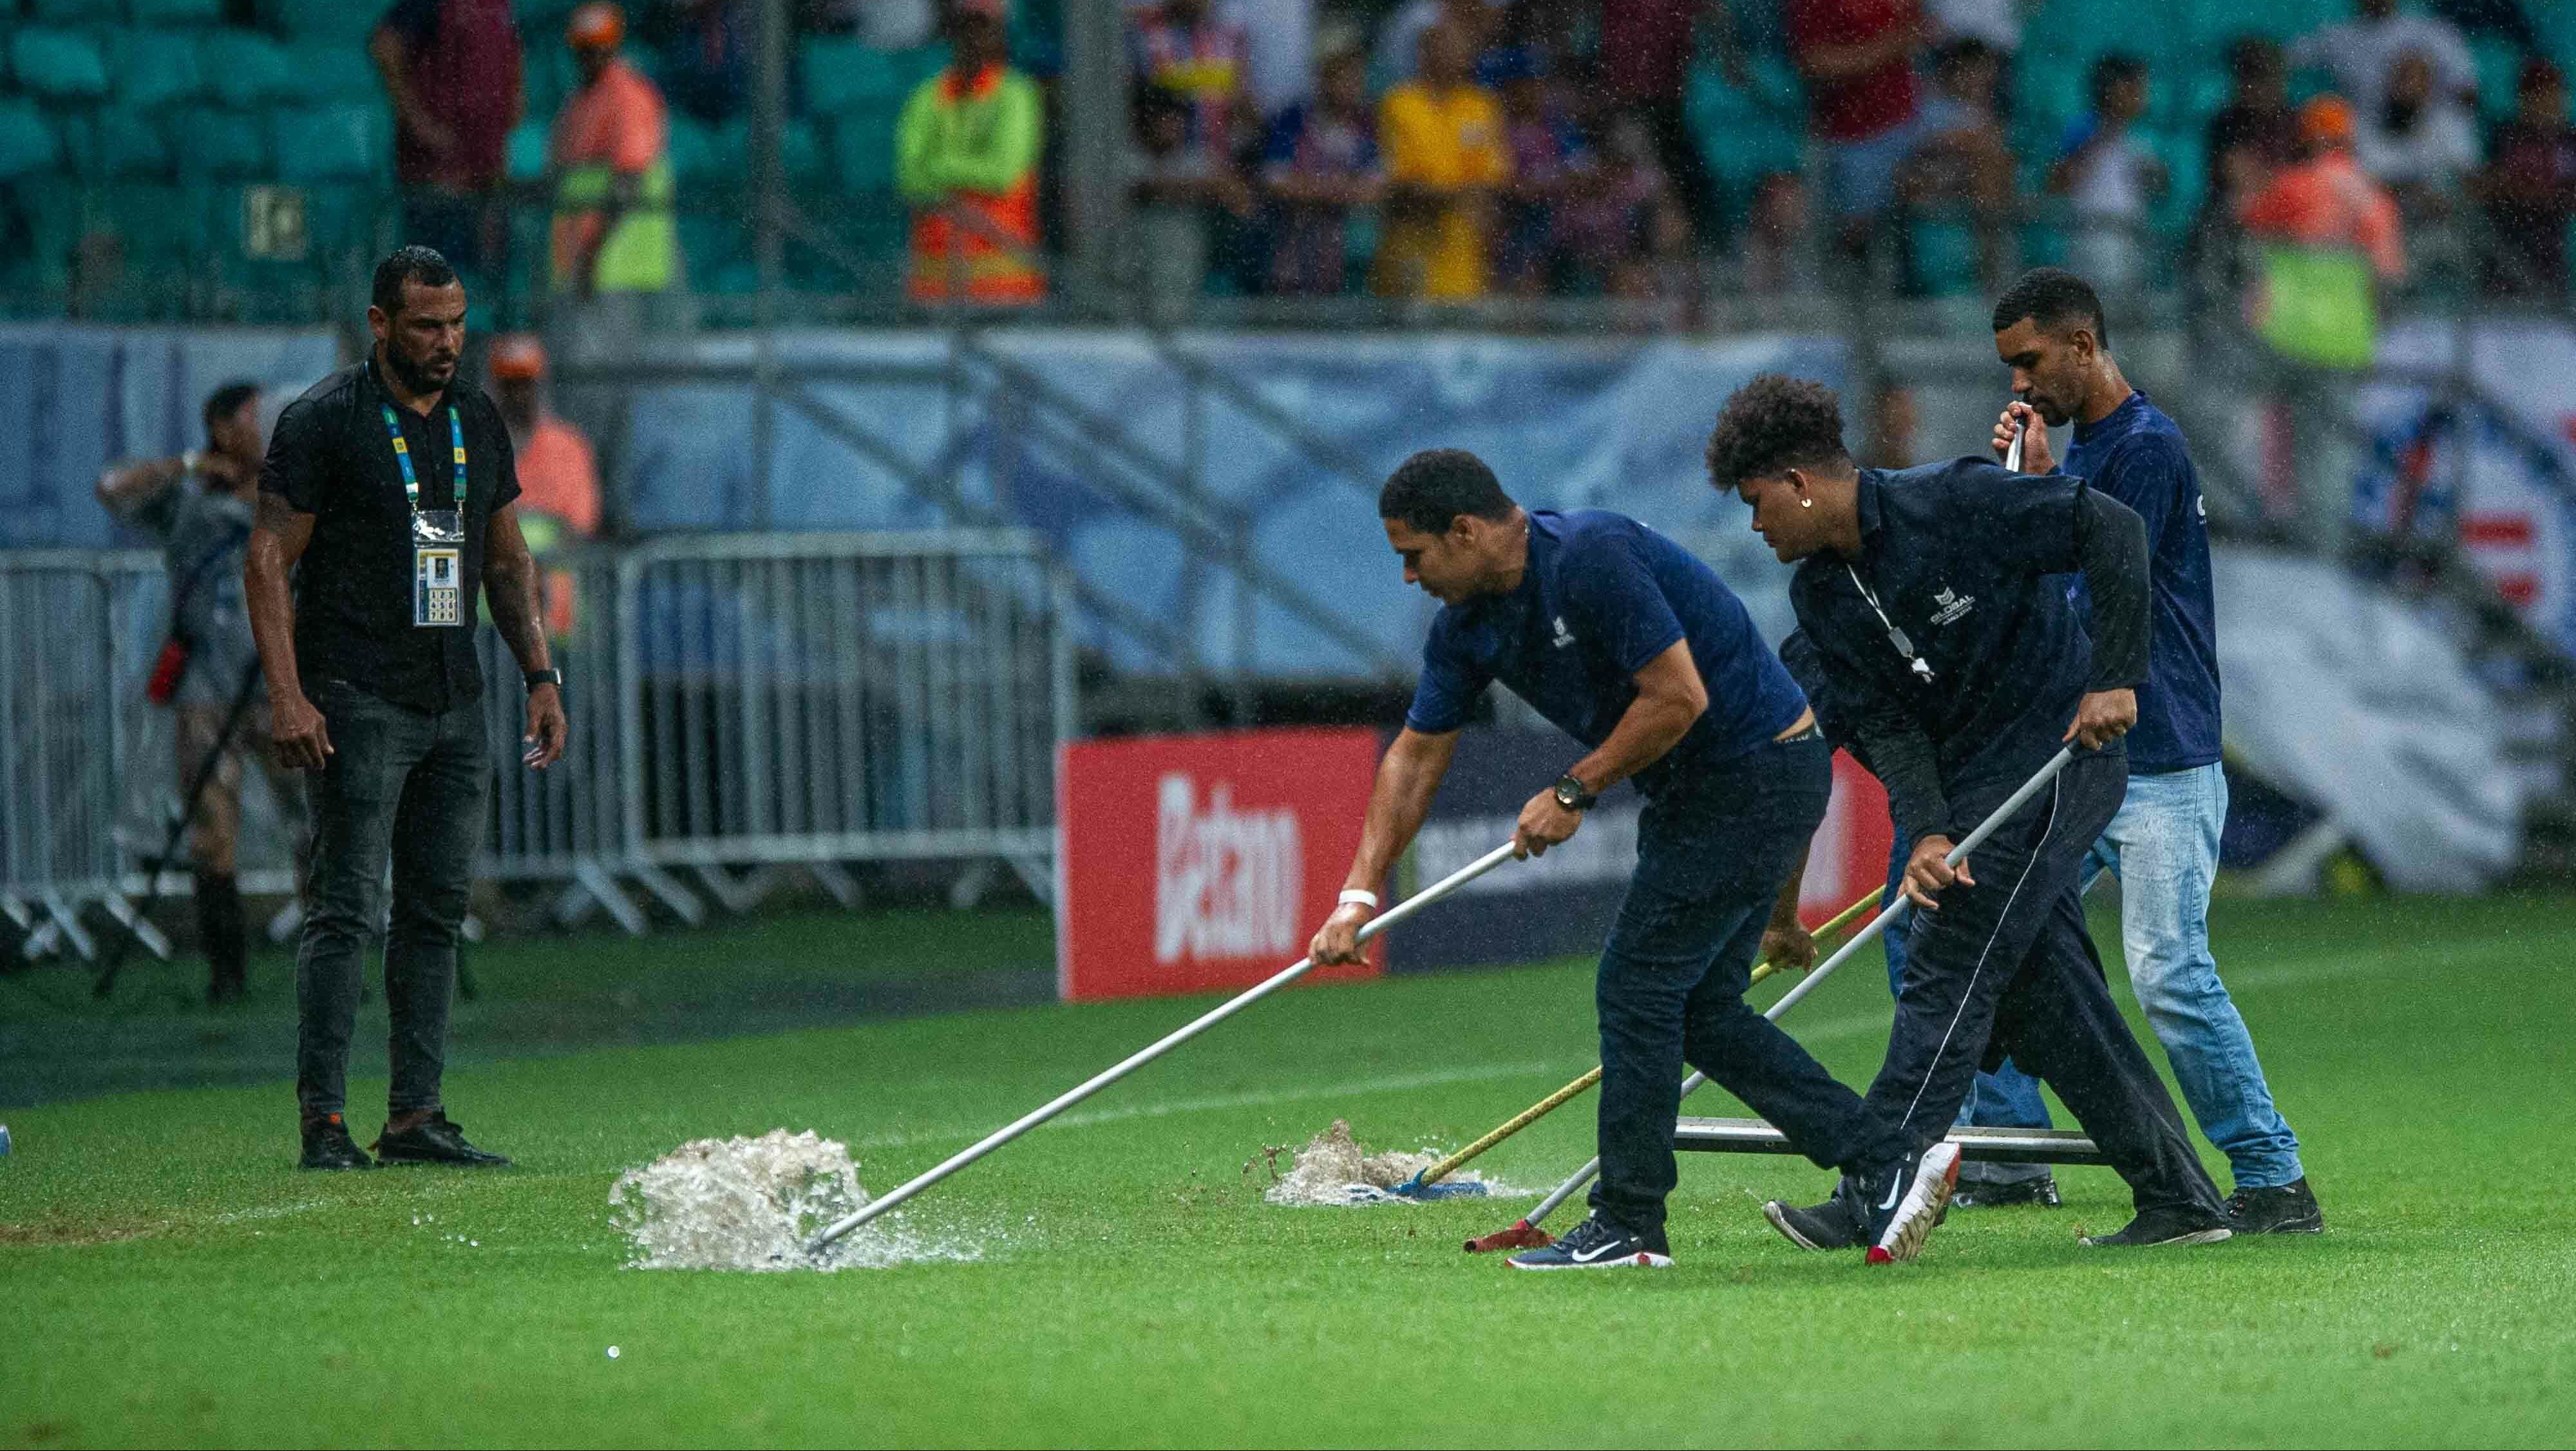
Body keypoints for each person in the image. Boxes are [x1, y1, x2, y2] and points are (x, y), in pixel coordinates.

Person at [1306, 449, 1881, 1270]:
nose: (1407, 576)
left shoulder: (1591, 558)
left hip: (1754, 771)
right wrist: (1357, 896)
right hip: (1710, 791)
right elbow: (1414, 757)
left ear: (1465, 532)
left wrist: (1574, 791)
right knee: (1698, 1011)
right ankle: (1882, 1154)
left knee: (1638, 985)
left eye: (1414, 554)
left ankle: (1629, 1224)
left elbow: (1680, 696)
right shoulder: (1465, 625)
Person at [1709, 372, 2234, 1254]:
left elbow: (2115, 529)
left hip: (2060, 756)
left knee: (1947, 954)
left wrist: (2115, 675)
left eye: (1759, 504)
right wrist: (1930, 829)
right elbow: (1887, 722)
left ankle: (1876, 1177)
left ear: (1800, 482)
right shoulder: (1823, 597)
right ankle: (2179, 1195)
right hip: (1968, 787)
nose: (1756, 527)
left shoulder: (1952, 500)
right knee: (2045, 995)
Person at [1977, 268, 2324, 1233]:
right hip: (2092, 760)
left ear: (2084, 346)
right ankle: (2002, 1152)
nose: (2018, 385)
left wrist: (2037, 498)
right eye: (2009, 367)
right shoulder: (2097, 452)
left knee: (2170, 972)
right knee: (1988, 932)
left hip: (2160, 753)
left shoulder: (2146, 451)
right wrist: (2033, 490)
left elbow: (2088, 594)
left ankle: (2274, 1178)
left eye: (2030, 362)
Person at [244, 247, 567, 1173]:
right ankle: (324, 1121)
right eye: (427, 326)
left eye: (458, 323)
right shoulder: (325, 420)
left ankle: (415, 1115)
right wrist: (287, 693)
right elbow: (267, 559)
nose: (447, 342)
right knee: (347, 909)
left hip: (453, 693)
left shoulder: (475, 416)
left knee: (435, 913)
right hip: (355, 693)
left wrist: (540, 677)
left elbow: (507, 560)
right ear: (380, 324)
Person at [97, 381, 311, 1005]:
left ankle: (328, 964)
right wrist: (190, 464)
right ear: (222, 427)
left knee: (313, 824)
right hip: (205, 689)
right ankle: (228, 973)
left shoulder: (290, 496)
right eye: (252, 418)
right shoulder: (189, 500)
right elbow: (113, 491)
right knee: (211, 831)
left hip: (281, 686)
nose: (264, 428)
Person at [546, 3, 678, 356]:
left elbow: (628, 183)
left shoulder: (628, 96)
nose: (592, 55)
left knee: (610, 375)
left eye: (600, 46)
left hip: (618, 263)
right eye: (585, 47)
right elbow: (565, 180)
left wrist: (593, 256)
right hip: (582, 265)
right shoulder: (578, 101)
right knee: (581, 373)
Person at [896, 0, 1047, 307]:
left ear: (1001, 34)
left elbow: (1002, 174)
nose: (976, 40)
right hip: (934, 287)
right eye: (968, 29)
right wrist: (968, 174)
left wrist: (938, 167)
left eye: (985, 29)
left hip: (1007, 288)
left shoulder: (1016, 94)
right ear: (953, 34)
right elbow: (909, 179)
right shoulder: (927, 96)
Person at [371, 0, 523, 283]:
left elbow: (513, 56)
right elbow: (385, 46)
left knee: (486, 287)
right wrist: (420, 124)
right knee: (434, 287)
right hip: (437, 182)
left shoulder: (500, 8)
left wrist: (511, 107)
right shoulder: (433, 5)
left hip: (485, 179)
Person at [1373, 22, 1510, 299]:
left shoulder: (1480, 105)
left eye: (1464, 48)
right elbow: (1403, 186)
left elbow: (1493, 180)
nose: (1462, 54)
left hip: (1465, 258)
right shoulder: (1400, 103)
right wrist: (1456, 194)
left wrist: (1441, 193)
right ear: (1425, 52)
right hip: (1411, 252)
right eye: (1451, 47)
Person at [1787, 0, 1928, 260]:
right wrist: (1886, 49)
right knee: (1856, 232)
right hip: (1854, 134)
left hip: (1913, 115)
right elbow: (1815, 62)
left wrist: (1876, 52)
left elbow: (1922, 29)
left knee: (1981, 149)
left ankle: (1993, 283)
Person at [488, 334, 600, 640]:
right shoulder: (477, 448)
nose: (519, 395)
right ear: (496, 389)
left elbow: (581, 527)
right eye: (510, 385)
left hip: (556, 622)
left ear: (540, 386)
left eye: (526, 383)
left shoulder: (569, 447)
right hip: (492, 628)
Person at [1260, 47, 1384, 298]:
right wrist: (1339, 188)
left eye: (1356, 80)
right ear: (1324, 80)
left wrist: (1313, 188)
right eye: (1343, 79)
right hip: (1294, 239)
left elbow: (1376, 189)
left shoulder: (1366, 124)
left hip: (1349, 246)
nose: (1351, 87)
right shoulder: (1293, 119)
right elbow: (1275, 182)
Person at [2047, 54, 2165, 301]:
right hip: (2092, 235)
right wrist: (2100, 140)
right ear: (2111, 90)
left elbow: (2161, 188)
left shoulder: (2141, 138)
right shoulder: (2082, 128)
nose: (2142, 96)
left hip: (2130, 234)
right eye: (2134, 88)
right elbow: (2057, 183)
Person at [2475, 59, 2576, 302]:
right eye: (2540, 97)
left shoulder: (2570, 141)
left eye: (2554, 97)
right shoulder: (2505, 136)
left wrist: (2541, 194)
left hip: (2555, 238)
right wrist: (2538, 194)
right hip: (2509, 237)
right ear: (2524, 101)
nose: (2549, 105)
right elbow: (2485, 185)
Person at [2293, 0, 2478, 121]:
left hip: (2426, 131)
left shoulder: (2431, 32)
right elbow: (2284, 58)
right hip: (2366, 135)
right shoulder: (2337, 37)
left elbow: (2469, 92)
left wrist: (2415, 100)